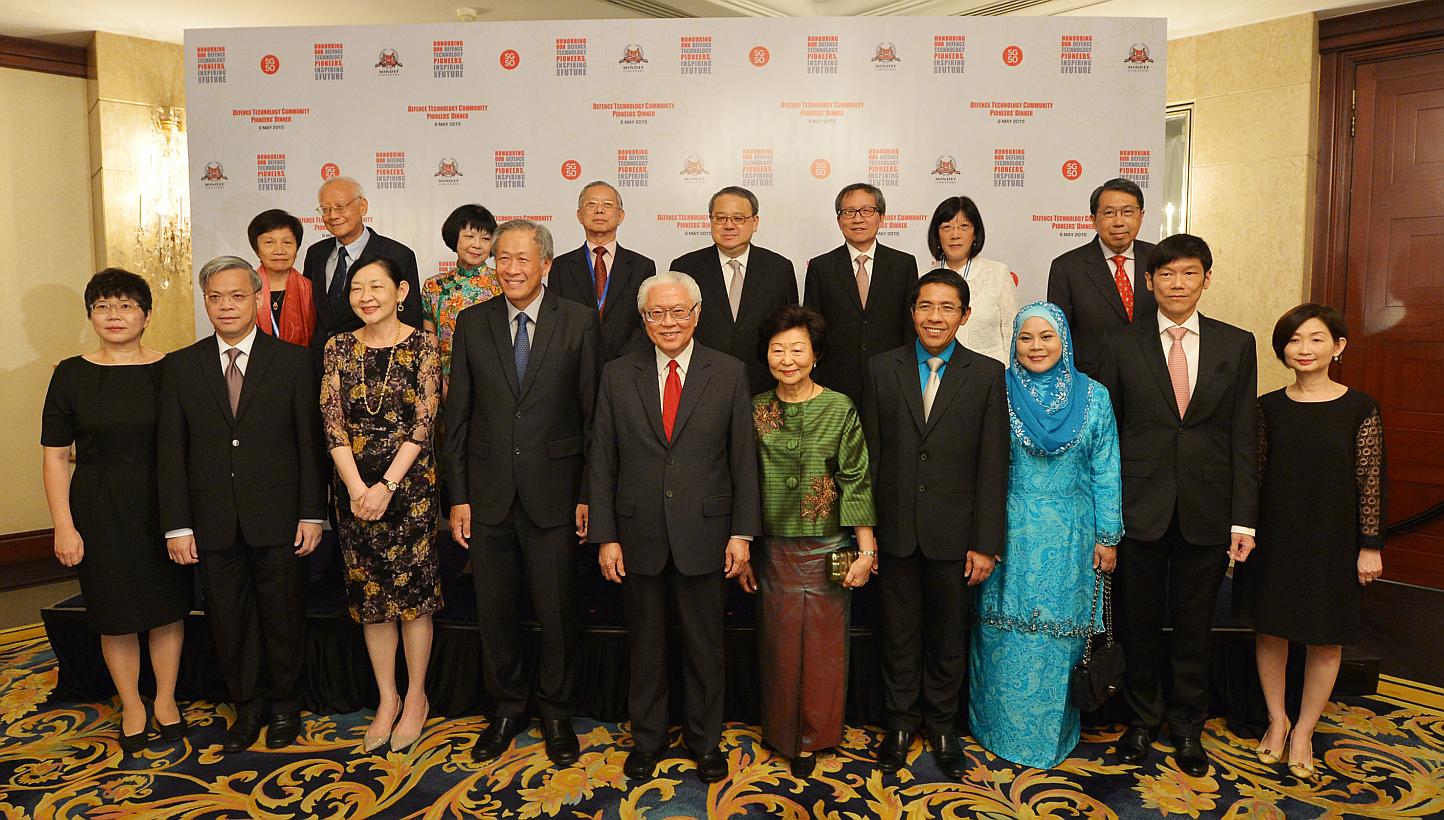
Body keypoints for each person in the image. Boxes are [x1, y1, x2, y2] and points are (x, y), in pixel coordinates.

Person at [588, 270, 760, 784]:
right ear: (643, 320)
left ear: (697, 315)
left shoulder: (728, 372)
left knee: (705, 645)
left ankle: (706, 743)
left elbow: (743, 460)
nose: (668, 322)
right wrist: (607, 535)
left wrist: (742, 534)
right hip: (636, 534)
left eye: (678, 312)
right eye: (656, 313)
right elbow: (602, 458)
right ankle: (649, 739)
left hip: (707, 535)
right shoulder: (618, 373)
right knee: (645, 645)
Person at [1096, 233, 1259, 777]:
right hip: (1138, 508)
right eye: (1166, 274)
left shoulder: (1236, 344)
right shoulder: (1122, 343)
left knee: (1194, 628)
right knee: (1138, 623)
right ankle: (1141, 721)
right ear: (1149, 281)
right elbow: (1107, 435)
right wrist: (1107, 516)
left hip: (1208, 511)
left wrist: (1244, 518)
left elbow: (1241, 436)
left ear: (1206, 279)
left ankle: (1188, 728)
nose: (1177, 283)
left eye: (1189, 273)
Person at [443, 220, 602, 767]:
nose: (509, 269)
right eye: (502, 259)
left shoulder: (579, 322)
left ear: (546, 265)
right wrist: (458, 496)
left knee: (558, 611)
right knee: (495, 610)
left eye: (521, 260)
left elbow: (591, 419)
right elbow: (457, 417)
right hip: (487, 497)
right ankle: (508, 706)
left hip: (556, 495)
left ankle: (557, 711)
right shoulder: (472, 322)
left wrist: (588, 494)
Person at [158, 256, 326, 753]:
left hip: (278, 518)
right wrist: (177, 526)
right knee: (229, 622)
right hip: (211, 522)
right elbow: (172, 451)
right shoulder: (181, 365)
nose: (226, 306)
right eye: (216, 297)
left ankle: (285, 707)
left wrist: (311, 513)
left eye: (236, 296)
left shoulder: (292, 360)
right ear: (204, 302)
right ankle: (247, 707)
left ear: (257, 299)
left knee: (283, 616)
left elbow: (308, 445)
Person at [861, 268, 1008, 779]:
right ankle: (900, 723)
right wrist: (868, 534)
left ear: (965, 316)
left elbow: (993, 465)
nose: (935, 317)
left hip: (956, 533)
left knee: (948, 634)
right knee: (898, 632)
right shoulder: (883, 369)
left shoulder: (988, 374)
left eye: (947, 308)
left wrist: (986, 542)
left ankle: (943, 725)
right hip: (896, 529)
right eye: (926, 306)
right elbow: (870, 459)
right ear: (912, 312)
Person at [41, 268, 193, 753]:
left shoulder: (173, 369)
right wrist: (64, 526)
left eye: (126, 305)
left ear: (146, 315)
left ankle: (165, 699)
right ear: (90, 315)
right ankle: (131, 702)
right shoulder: (70, 373)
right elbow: (55, 455)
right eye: (104, 306)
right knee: (115, 613)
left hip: (163, 504)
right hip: (98, 507)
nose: (114, 315)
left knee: (167, 608)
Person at [968, 301, 1123, 769]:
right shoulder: (997, 391)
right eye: (1025, 338)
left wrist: (1108, 536)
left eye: (1046, 337)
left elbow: (1106, 469)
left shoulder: (1094, 396)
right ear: (1013, 343)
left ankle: (1052, 737)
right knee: (1002, 632)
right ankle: (995, 727)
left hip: (1072, 533)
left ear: (1065, 341)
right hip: (1008, 529)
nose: (1036, 347)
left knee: (1060, 636)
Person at [1234, 303, 1385, 781]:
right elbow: (1253, 476)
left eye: (1317, 339)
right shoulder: (1268, 407)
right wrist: (1245, 533)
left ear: (1338, 347)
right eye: (1295, 340)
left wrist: (1370, 544)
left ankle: (1304, 731)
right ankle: (1277, 722)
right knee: (1270, 631)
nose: (1304, 349)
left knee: (1325, 640)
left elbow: (1370, 480)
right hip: (1276, 538)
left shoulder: (1360, 407)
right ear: (1283, 349)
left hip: (1333, 540)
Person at [740, 304, 876, 777]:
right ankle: (781, 735)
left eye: (798, 349)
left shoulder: (839, 407)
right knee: (777, 647)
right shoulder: (755, 409)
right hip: (773, 549)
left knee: (824, 649)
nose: (788, 359)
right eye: (778, 350)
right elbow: (742, 482)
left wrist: (867, 550)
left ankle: (818, 736)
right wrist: (743, 552)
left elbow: (855, 478)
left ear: (815, 354)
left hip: (828, 549)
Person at [321, 255, 443, 754]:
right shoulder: (336, 347)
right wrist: (355, 489)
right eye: (357, 288)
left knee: (412, 601)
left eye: (377, 287)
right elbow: (331, 421)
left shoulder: (423, 346)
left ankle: (416, 697)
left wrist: (386, 486)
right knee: (371, 600)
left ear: (401, 291)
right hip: (352, 491)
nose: (365, 296)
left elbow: (424, 423)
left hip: (409, 490)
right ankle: (386, 698)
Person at [671, 186, 799, 396]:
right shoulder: (685, 267)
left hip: (763, 383)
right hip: (700, 383)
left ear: (754, 222)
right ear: (711, 221)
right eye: (720, 218)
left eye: (738, 218)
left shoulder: (779, 268)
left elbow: (790, 329)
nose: (728, 225)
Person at [805, 183, 919, 406]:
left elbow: (910, 324)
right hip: (834, 381)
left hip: (891, 378)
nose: (858, 219)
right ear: (839, 220)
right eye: (848, 212)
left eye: (867, 211)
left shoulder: (903, 264)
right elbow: (812, 327)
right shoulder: (821, 267)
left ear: (882, 217)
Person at [303, 176, 423, 369]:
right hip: (319, 365)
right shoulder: (316, 253)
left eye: (340, 207)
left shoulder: (398, 254)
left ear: (363, 207)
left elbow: (409, 317)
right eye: (325, 209)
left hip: (374, 366)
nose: (333, 215)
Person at [1047, 178, 1157, 376]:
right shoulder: (1067, 267)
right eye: (1109, 213)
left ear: (1141, 215)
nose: (1119, 221)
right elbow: (1059, 335)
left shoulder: (1159, 259)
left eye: (1127, 212)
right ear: (1093, 219)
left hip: (1152, 376)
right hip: (1093, 379)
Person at [549, 181, 656, 361]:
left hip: (627, 366)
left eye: (608, 205)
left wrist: (622, 363)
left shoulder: (642, 266)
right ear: (579, 215)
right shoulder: (561, 266)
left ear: (621, 216)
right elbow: (556, 320)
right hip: (573, 364)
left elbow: (646, 321)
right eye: (591, 204)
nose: (599, 210)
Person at [925, 196, 1017, 364]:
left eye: (964, 227)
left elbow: (1012, 332)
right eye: (947, 227)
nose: (955, 235)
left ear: (975, 233)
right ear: (937, 236)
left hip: (990, 376)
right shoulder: (924, 279)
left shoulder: (998, 273)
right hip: (939, 375)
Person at [421, 203, 502, 383]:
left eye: (486, 239)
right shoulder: (434, 286)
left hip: (492, 380)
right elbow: (429, 343)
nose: (477, 245)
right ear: (454, 238)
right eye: (469, 236)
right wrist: (437, 382)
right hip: (445, 381)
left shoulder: (501, 283)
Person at [247, 209, 316, 347]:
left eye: (287, 243)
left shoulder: (312, 290)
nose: (279, 251)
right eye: (269, 242)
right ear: (256, 249)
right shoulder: (244, 290)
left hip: (301, 365)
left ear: (297, 247)